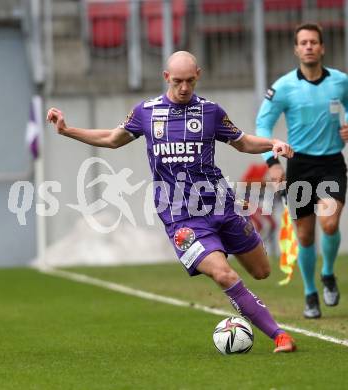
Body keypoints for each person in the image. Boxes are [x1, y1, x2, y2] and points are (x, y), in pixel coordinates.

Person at [47, 51, 296, 352]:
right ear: (166, 77)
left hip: (221, 204)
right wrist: (67, 130)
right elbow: (112, 138)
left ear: (198, 75)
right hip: (180, 215)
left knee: (261, 271)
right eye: (177, 81)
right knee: (222, 273)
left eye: (190, 81)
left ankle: (220, 250)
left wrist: (273, 143)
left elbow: (242, 142)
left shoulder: (211, 112)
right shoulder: (147, 112)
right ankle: (280, 336)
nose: (184, 88)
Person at [256, 23, 348, 319]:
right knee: (305, 236)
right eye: (303, 42)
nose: (308, 47)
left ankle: (328, 273)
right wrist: (272, 162)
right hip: (299, 166)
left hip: (332, 162)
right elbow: (263, 125)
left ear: (322, 48)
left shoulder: (340, 82)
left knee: (330, 224)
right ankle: (310, 292)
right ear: (296, 49)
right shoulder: (283, 87)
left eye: (313, 42)